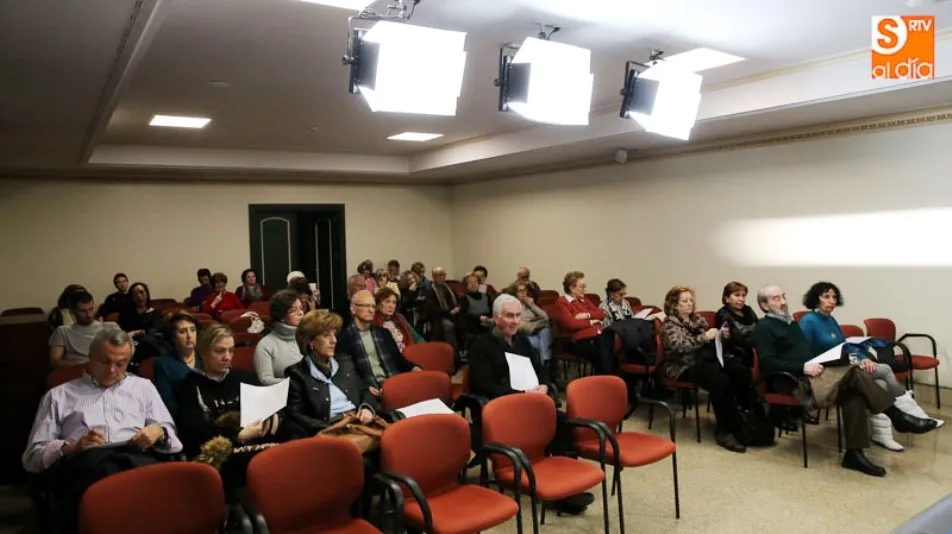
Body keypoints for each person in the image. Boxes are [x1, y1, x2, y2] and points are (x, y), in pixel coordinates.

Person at [753, 284, 937, 476]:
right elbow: (767, 363)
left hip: (814, 374)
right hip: (793, 383)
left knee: (854, 391)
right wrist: (803, 367)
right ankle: (897, 416)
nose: (783, 302)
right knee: (854, 373)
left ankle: (854, 454)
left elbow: (807, 352)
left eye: (783, 296)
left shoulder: (790, 323)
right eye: (776, 299)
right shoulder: (764, 327)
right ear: (764, 305)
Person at [23, 325, 182, 533]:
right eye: (105, 361)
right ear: (90, 357)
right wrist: (72, 447)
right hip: (85, 465)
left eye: (121, 363)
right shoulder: (59, 396)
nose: (113, 370)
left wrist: (158, 431)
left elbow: (171, 435)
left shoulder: (143, 387)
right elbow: (32, 457)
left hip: (137, 458)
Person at [467, 294, 593, 515]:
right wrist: (521, 393)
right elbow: (484, 385)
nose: (515, 321)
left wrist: (544, 385)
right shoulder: (481, 347)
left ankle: (566, 486)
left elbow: (541, 370)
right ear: (496, 318)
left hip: (531, 404)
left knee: (563, 421)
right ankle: (558, 491)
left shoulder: (523, 342)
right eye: (509, 316)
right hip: (502, 410)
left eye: (517, 316)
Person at [798, 281, 942, 450]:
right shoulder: (808, 322)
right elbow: (803, 353)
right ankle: (908, 417)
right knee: (883, 373)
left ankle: (890, 429)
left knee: (881, 377)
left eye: (834, 297)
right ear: (816, 299)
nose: (832, 301)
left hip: (843, 362)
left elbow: (844, 346)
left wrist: (861, 358)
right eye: (826, 297)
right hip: (825, 368)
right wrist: (852, 360)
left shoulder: (830, 319)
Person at [175, 323, 283, 494]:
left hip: (257, 445)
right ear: (202, 353)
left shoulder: (243, 377)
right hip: (218, 455)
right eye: (219, 351)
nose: (227, 357)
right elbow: (193, 431)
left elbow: (268, 409)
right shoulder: (188, 386)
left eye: (231, 350)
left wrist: (274, 415)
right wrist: (237, 435)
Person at [661, 285, 750, 453]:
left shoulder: (697, 319)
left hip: (705, 359)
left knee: (739, 370)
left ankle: (741, 419)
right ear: (674, 305)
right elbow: (680, 347)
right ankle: (724, 430)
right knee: (720, 380)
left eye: (691, 300)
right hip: (683, 366)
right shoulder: (669, 324)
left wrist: (721, 336)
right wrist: (705, 337)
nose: (690, 303)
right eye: (684, 301)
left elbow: (710, 340)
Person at [283, 310, 380, 438]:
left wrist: (366, 408)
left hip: (359, 421)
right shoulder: (297, 374)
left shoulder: (345, 361)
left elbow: (364, 391)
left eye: (334, 334)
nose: (333, 340)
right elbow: (296, 416)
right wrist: (333, 427)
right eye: (326, 335)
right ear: (310, 341)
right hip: (332, 429)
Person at [337, 290, 420, 395]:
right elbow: (347, 373)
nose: (371, 310)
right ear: (353, 309)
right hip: (368, 389)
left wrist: (414, 367)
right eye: (366, 306)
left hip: (393, 382)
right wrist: (364, 388)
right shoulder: (344, 338)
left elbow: (398, 359)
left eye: (373, 306)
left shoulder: (383, 333)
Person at [554, 271, 612, 374]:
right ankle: (604, 384)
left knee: (610, 352)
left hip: (594, 337)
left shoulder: (584, 300)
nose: (585, 289)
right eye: (582, 287)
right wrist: (591, 322)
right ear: (572, 288)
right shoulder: (562, 302)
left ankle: (610, 383)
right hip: (575, 341)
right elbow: (570, 324)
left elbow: (601, 314)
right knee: (602, 355)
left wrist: (586, 316)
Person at [49, 292, 115, 368]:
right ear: (72, 312)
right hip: (76, 372)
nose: (89, 314)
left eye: (91, 309)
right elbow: (54, 361)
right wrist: (83, 366)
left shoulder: (110, 327)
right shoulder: (63, 331)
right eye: (83, 311)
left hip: (106, 370)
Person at [254, 290, 305, 385]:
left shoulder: (309, 338)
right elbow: (265, 379)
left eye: (301, 308)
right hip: (284, 395)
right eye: (294, 310)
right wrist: (296, 384)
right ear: (281, 316)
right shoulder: (266, 345)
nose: (300, 313)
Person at [153, 310, 201, 413]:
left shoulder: (206, 358)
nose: (189, 336)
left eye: (192, 330)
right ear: (173, 337)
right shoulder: (163, 364)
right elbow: (168, 404)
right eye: (182, 332)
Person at [714, 281, 759, 367]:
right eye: (737, 295)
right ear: (727, 298)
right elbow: (730, 340)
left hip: (754, 348)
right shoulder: (723, 314)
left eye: (743, 295)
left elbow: (759, 327)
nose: (741, 299)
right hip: (736, 354)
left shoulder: (748, 310)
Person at [508, 280, 553, 363]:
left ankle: (544, 361)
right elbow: (519, 325)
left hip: (535, 333)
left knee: (546, 331)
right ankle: (545, 363)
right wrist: (536, 325)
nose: (524, 293)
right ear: (514, 293)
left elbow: (545, 317)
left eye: (525, 290)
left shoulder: (528, 303)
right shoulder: (512, 305)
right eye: (520, 291)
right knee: (543, 341)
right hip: (522, 336)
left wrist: (532, 305)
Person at [374, 287, 423, 354]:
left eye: (394, 303)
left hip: (409, 353)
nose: (391, 306)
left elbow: (417, 338)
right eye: (387, 301)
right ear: (378, 304)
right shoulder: (372, 321)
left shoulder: (399, 317)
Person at [425, 266, 460, 356]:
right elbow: (432, 308)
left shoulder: (449, 288)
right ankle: (453, 354)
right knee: (449, 325)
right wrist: (448, 312)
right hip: (440, 316)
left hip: (454, 314)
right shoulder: (430, 290)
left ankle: (463, 354)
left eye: (443, 275)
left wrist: (457, 308)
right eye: (439, 275)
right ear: (433, 277)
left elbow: (457, 300)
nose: (442, 277)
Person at [459, 273, 494, 338]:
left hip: (488, 323)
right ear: (466, 286)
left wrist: (488, 318)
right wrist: (479, 318)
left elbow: (492, 311)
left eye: (475, 282)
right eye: (470, 282)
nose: (473, 284)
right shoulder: (464, 299)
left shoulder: (486, 296)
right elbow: (464, 315)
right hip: (474, 326)